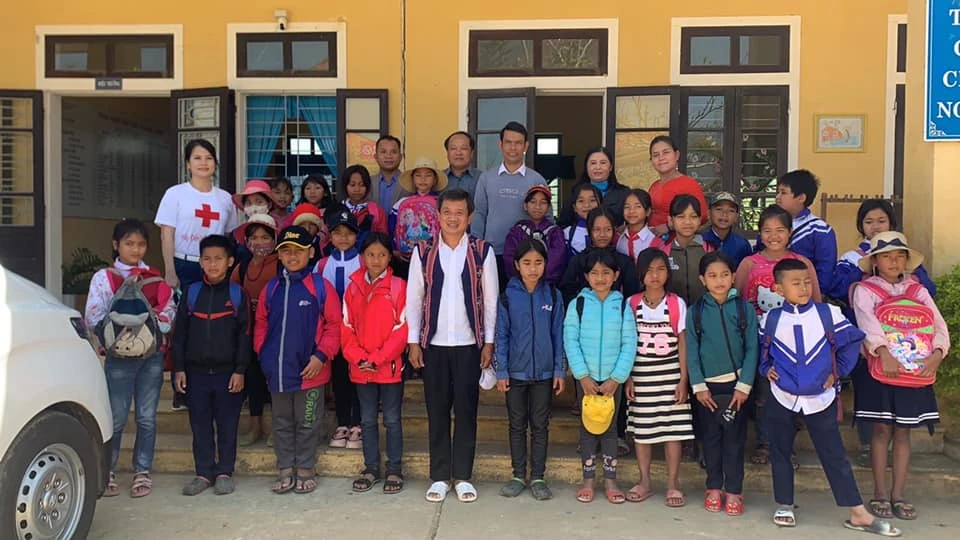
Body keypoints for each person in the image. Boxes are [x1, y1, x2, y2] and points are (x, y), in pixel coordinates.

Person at [760, 259, 899, 536]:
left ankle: (857, 512)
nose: (804, 287)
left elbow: (853, 341)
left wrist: (838, 373)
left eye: (807, 282)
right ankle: (785, 504)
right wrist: (766, 369)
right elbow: (763, 352)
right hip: (782, 395)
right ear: (778, 288)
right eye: (795, 283)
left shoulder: (828, 314)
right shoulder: (770, 319)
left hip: (820, 397)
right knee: (780, 451)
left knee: (834, 454)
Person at [406, 189, 499, 504]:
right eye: (447, 212)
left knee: (466, 410)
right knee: (437, 410)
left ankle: (462, 476)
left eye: (460, 213)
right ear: (438, 215)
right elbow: (414, 299)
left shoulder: (482, 251)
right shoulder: (423, 252)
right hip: (433, 345)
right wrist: (413, 341)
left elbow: (490, 301)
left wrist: (488, 342)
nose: (453, 218)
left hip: (469, 345)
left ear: (470, 217)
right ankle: (439, 477)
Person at [828, 199, 936, 465]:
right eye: (868, 222)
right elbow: (836, 288)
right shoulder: (852, 258)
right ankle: (868, 444)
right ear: (861, 226)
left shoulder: (904, 259)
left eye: (881, 221)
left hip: (906, 340)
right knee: (869, 389)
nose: (875, 226)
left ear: (892, 223)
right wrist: (864, 264)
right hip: (867, 340)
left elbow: (928, 291)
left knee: (900, 390)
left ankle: (896, 444)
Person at [851, 231, 948, 522]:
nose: (893, 262)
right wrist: (883, 352)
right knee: (881, 430)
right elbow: (866, 322)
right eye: (886, 256)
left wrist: (937, 353)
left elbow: (938, 325)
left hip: (914, 370)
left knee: (904, 431)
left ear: (906, 260)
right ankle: (880, 493)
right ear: (875, 262)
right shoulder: (865, 290)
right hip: (880, 370)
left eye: (899, 256)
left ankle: (899, 494)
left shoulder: (918, 291)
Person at [86, 219, 177, 499]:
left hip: (151, 358)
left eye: (140, 244)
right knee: (116, 418)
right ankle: (108, 471)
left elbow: (169, 310)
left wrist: (152, 327)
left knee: (147, 418)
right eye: (129, 243)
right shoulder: (104, 278)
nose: (135, 249)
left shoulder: (155, 278)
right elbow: (93, 314)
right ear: (116, 245)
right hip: (119, 358)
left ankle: (142, 471)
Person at [255, 226, 342, 495]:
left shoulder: (320, 287)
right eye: (287, 251)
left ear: (311, 253)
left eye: (299, 251)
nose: (293, 257)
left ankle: (305, 467)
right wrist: (265, 355)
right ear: (279, 255)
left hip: (311, 372)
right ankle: (284, 468)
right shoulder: (271, 288)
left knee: (308, 421)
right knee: (281, 422)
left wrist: (321, 356)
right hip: (279, 372)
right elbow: (260, 324)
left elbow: (334, 326)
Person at [735, 205, 821, 467]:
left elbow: (816, 302)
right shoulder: (749, 264)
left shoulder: (802, 264)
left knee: (790, 392)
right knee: (764, 394)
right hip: (760, 343)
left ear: (790, 232)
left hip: (794, 344)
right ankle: (764, 443)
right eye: (767, 230)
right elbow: (737, 302)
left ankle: (786, 447)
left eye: (780, 230)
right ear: (759, 233)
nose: (773, 236)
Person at [156, 139, 238, 410]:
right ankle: (181, 389)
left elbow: (228, 236)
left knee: (214, 326)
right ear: (188, 164)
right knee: (185, 327)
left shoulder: (224, 198)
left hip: (216, 268)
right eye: (197, 158)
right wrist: (170, 271)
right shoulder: (175, 194)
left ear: (215, 163)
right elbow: (167, 234)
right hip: (185, 265)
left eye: (208, 158)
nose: (203, 163)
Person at [173, 234, 251, 496]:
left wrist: (240, 370)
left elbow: (245, 336)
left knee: (228, 424)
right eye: (207, 259)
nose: (213, 264)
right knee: (200, 425)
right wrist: (179, 368)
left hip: (227, 374)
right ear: (200, 262)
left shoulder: (237, 294)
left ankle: (225, 472)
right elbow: (179, 335)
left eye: (218, 259)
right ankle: (203, 473)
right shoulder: (192, 293)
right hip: (195, 374)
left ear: (230, 261)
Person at [686, 252, 758, 516]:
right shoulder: (695, 312)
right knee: (711, 440)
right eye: (713, 276)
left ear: (733, 277)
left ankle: (735, 491)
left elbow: (752, 348)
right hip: (707, 391)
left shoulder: (743, 309)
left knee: (735, 442)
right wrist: (699, 387)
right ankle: (714, 487)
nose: (719, 281)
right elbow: (691, 351)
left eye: (725, 275)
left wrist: (744, 386)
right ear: (702, 279)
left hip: (737, 390)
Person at [495, 239, 566, 501]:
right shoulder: (508, 296)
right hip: (515, 373)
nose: (533, 269)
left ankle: (537, 476)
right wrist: (502, 371)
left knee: (539, 426)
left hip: (544, 375)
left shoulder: (553, 295)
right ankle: (517, 475)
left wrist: (559, 369)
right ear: (517, 265)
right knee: (516, 425)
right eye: (527, 263)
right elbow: (501, 336)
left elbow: (558, 334)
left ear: (546, 264)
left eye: (538, 262)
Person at [564, 250, 637, 504]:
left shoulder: (623, 306)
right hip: (586, 380)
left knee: (609, 430)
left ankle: (610, 480)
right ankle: (587, 480)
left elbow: (629, 343)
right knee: (587, 429)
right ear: (586, 276)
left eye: (606, 272)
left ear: (616, 275)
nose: (600, 278)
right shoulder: (578, 305)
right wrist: (582, 376)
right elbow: (570, 340)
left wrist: (617, 378)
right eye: (594, 273)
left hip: (611, 381)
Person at [625, 247, 694, 508]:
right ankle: (644, 481)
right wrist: (628, 377)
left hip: (671, 376)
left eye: (660, 269)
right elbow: (627, 343)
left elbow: (683, 343)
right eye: (649, 270)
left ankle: (673, 484)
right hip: (641, 376)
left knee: (672, 431)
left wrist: (683, 380)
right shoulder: (631, 304)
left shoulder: (676, 304)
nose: (655, 275)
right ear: (640, 274)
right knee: (642, 431)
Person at [341, 233, 409, 495]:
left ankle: (394, 469)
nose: (376, 260)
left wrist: (378, 358)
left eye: (382, 254)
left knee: (391, 419)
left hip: (388, 367)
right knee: (367, 420)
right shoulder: (352, 287)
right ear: (362, 257)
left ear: (390, 257)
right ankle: (371, 468)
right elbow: (346, 328)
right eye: (370, 254)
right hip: (361, 368)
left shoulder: (398, 287)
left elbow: (402, 329)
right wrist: (359, 358)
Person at [473, 121, 549, 287]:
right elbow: (479, 214)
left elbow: (547, 218)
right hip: (492, 253)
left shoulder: (537, 180)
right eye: (508, 142)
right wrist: (477, 247)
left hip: (527, 257)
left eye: (518, 143)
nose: (513, 148)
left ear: (526, 146)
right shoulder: (486, 178)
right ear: (500, 145)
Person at [315, 210, 364, 450]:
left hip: (360, 331)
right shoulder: (323, 264)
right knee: (340, 376)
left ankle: (358, 422)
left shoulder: (363, 261)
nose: (343, 238)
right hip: (334, 332)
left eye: (348, 233)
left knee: (359, 375)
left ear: (356, 236)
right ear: (330, 236)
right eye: (337, 233)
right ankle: (342, 422)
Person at [230, 214, 280, 447]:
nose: (259, 242)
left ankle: (278, 428)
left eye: (265, 237)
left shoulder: (281, 264)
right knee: (253, 380)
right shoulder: (241, 268)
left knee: (276, 381)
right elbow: (232, 297)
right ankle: (255, 426)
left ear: (274, 239)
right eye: (254, 238)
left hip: (276, 332)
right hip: (249, 333)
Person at [756, 169, 838, 293]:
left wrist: (816, 294)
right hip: (766, 292)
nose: (777, 197)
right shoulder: (768, 226)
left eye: (783, 193)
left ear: (801, 198)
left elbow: (825, 269)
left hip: (803, 294)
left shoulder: (820, 230)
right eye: (777, 192)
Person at [561, 206, 640, 307]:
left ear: (614, 230)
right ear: (589, 230)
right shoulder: (578, 260)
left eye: (608, 229)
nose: (602, 235)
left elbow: (632, 297)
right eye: (597, 229)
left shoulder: (625, 262)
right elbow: (567, 292)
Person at [651, 194, 716, 306]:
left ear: (700, 220)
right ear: (671, 220)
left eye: (693, 216)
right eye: (681, 217)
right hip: (672, 312)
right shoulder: (663, 252)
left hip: (704, 311)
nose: (687, 222)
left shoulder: (709, 250)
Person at [391, 156, 446, 278]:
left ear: (435, 180)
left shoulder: (442, 203)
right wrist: (394, 249)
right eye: (418, 175)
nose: (423, 179)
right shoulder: (401, 203)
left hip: (434, 257)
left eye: (428, 175)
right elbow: (392, 227)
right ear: (413, 179)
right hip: (405, 259)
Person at [502, 185, 566, 285]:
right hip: (520, 285)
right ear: (525, 206)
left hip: (547, 285)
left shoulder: (554, 232)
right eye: (533, 202)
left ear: (549, 207)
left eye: (543, 202)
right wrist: (523, 280)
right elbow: (510, 258)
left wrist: (539, 281)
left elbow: (557, 259)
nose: (537, 206)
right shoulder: (517, 231)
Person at [646, 136, 708, 235]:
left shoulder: (688, 184)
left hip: (676, 240)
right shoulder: (654, 186)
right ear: (651, 160)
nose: (661, 158)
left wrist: (669, 226)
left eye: (666, 152)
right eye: (656, 155)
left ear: (677, 155)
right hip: (652, 239)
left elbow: (703, 217)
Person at [558, 147, 631, 227]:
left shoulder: (624, 193)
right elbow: (563, 223)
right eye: (593, 163)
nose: (598, 167)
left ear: (610, 167)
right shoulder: (575, 192)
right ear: (586, 167)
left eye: (603, 163)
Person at [702, 192, 752, 270]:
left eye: (731, 211)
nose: (724, 214)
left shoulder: (742, 245)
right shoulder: (700, 241)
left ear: (736, 217)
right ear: (709, 213)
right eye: (719, 209)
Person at [341, 164, 390, 240]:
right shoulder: (338, 210)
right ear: (345, 186)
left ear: (367, 187)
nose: (357, 189)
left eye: (362, 185)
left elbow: (383, 238)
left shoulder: (376, 211)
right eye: (352, 185)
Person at [368, 135, 406, 211]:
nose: (388, 156)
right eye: (383, 152)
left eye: (394, 152)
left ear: (400, 157)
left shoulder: (410, 183)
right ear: (376, 157)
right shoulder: (367, 183)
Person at [563, 184, 602, 259]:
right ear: (574, 207)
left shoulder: (608, 231)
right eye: (581, 201)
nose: (587, 205)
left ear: (600, 204)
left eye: (592, 200)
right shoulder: (567, 233)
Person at [615, 188, 655, 261]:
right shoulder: (618, 238)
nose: (631, 211)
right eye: (627, 207)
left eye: (638, 206)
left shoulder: (654, 241)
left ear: (648, 211)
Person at [444, 131, 482, 198]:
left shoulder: (482, 178)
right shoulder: (437, 179)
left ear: (471, 153)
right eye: (453, 148)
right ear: (447, 153)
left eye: (463, 148)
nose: (458, 153)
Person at [289, 203, 328, 269]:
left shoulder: (324, 248)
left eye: (312, 224)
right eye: (302, 224)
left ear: (318, 227)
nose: (307, 229)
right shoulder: (288, 247)